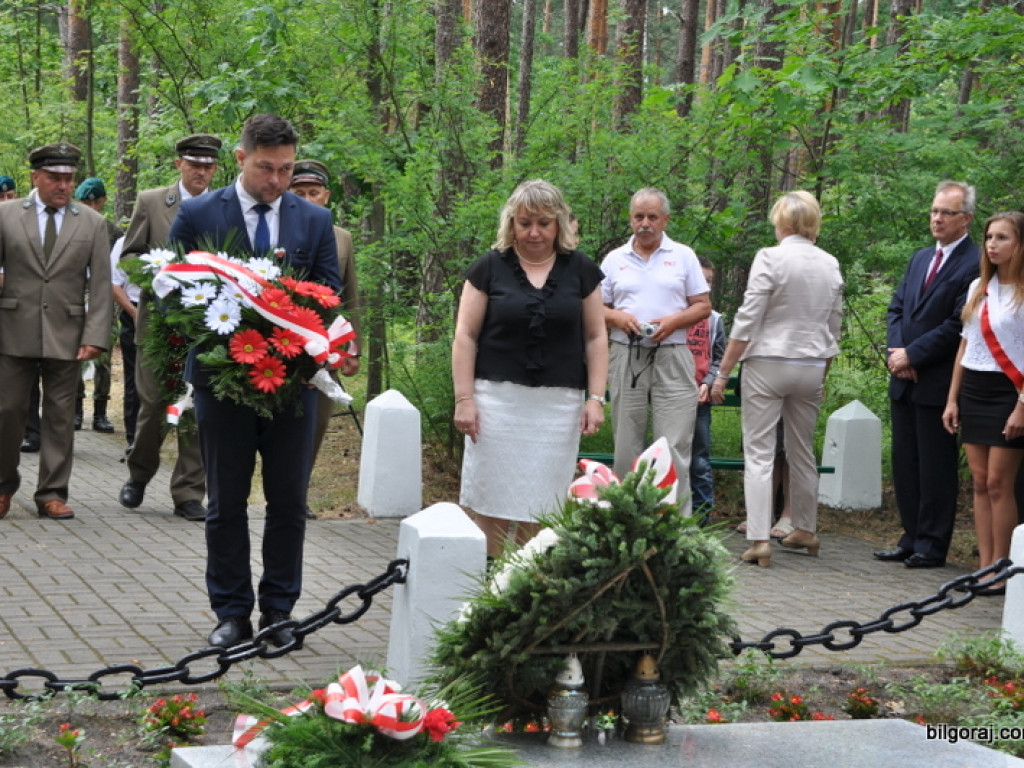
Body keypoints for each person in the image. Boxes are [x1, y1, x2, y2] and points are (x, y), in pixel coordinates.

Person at [168, 114, 341, 648]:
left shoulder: (314, 220)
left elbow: (329, 294)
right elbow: (174, 293)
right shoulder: (199, 212)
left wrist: (305, 344)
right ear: (241, 159)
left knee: (288, 501)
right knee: (225, 502)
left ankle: (280, 612)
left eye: (287, 169)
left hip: (294, 386)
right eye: (266, 168)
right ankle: (231, 613)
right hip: (223, 383)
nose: (277, 180)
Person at [452, 179, 607, 557]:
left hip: (558, 407)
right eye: (524, 223)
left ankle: (530, 588)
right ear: (511, 224)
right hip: (496, 404)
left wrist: (596, 397)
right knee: (492, 504)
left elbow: (596, 337)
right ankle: (490, 589)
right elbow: (465, 336)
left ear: (559, 225)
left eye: (543, 223)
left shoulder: (582, 269)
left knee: (544, 505)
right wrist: (464, 398)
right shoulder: (488, 268)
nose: (533, 232)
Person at [710, 190, 843, 568]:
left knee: (759, 452)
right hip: (812, 363)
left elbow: (748, 318)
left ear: (780, 222)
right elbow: (834, 322)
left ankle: (758, 538)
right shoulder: (830, 263)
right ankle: (805, 527)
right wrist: (823, 368)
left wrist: (723, 372)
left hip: (768, 360)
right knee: (802, 449)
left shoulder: (769, 257)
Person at [0, 142, 112, 521]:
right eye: (55, 178)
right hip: (12, 330)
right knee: (7, 412)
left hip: (68, 333)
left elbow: (100, 284)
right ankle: (2, 486)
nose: (63, 186)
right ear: (36, 177)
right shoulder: (6, 215)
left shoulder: (92, 223)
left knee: (61, 416)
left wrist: (96, 334)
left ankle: (51, 493)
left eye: (69, 178)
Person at [875, 181, 980, 569]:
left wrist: (914, 356)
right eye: (934, 211)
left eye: (946, 213)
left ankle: (933, 544)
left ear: (966, 218)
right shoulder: (921, 258)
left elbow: (958, 324)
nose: (937, 218)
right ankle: (910, 536)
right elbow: (897, 308)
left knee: (935, 465)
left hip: (939, 380)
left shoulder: (974, 262)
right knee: (906, 462)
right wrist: (897, 353)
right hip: (903, 377)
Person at [117, 133, 222, 522]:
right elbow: (129, 255)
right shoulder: (151, 201)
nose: (202, 171)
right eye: (195, 164)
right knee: (155, 405)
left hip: (206, 324)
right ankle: (139, 474)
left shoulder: (224, 205)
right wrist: (158, 277)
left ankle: (189, 493)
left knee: (197, 408)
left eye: (209, 165)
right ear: (180, 164)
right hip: (160, 324)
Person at [601, 187, 710, 516]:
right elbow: (594, 309)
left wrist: (674, 321)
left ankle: (674, 526)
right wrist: (618, 317)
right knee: (626, 441)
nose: (645, 223)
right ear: (630, 219)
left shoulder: (683, 256)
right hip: (626, 352)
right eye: (639, 217)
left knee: (674, 443)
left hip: (673, 352)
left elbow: (703, 306)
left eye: (652, 217)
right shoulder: (614, 259)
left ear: (665, 219)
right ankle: (623, 520)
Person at [942, 212, 1024, 596]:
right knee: (977, 481)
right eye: (989, 237)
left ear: (1019, 244)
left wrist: (1022, 405)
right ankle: (982, 567)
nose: (992, 244)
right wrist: (952, 398)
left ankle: (1003, 568)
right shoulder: (979, 286)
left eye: (1002, 238)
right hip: (973, 386)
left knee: (997, 483)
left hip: (1010, 391)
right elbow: (965, 344)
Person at [289, 159, 361, 519]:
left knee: (316, 422)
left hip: (325, 349)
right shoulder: (278, 230)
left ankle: (297, 495)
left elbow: (350, 296)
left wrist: (352, 349)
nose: (306, 199)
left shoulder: (341, 237)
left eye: (313, 193)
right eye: (298, 193)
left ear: (326, 196)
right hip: (282, 347)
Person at [73, 177, 123, 434]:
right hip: (74, 297)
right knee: (74, 355)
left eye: (95, 201)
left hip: (103, 299)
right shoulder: (70, 228)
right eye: (85, 201)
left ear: (103, 201)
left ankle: (101, 413)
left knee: (102, 357)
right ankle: (76, 411)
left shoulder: (113, 232)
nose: (91, 206)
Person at [686, 255, 725, 525]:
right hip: (673, 394)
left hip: (701, 398)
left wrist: (708, 383)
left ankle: (701, 516)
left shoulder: (714, 320)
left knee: (699, 460)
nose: (705, 285)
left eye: (709, 282)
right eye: (701, 280)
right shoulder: (674, 314)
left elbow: (720, 358)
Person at [109, 235, 139, 450]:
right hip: (134, 310)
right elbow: (114, 283)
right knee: (134, 379)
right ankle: (134, 438)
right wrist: (134, 312)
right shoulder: (124, 243)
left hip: (171, 310)